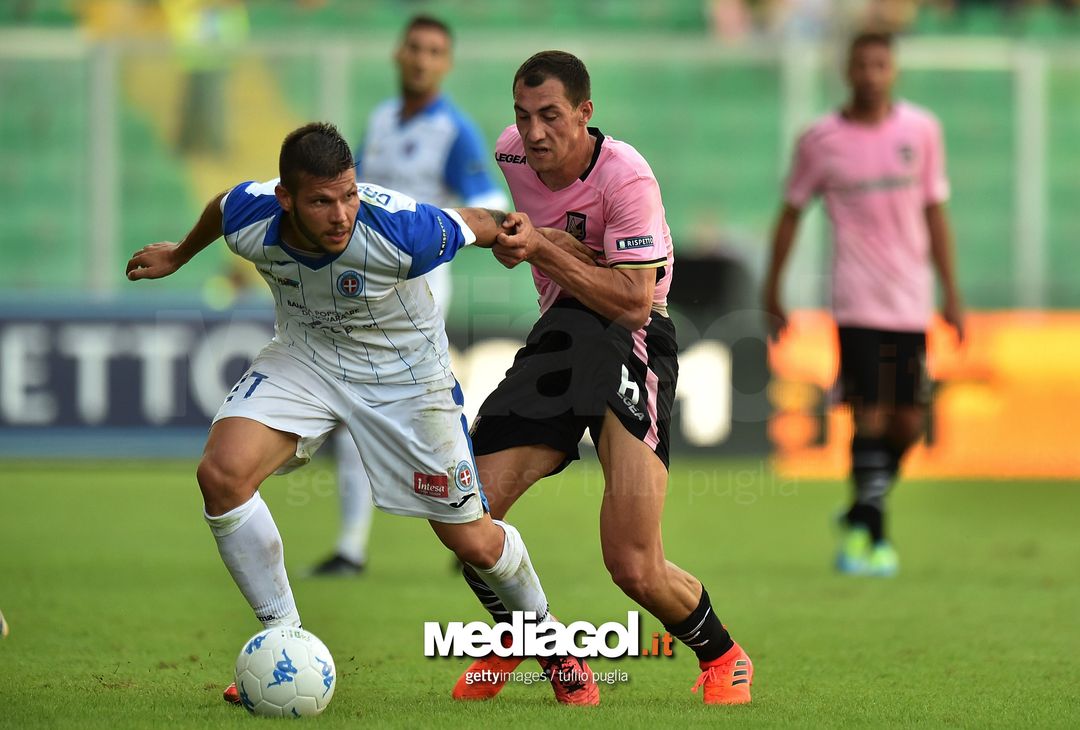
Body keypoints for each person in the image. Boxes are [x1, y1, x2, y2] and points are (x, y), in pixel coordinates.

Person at [124, 122, 578, 705]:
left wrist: (523, 240)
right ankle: (284, 640)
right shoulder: (252, 218)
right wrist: (180, 255)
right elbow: (223, 206)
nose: (341, 214)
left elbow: (479, 223)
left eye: (349, 194)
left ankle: (556, 650)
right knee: (222, 475)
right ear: (286, 198)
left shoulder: (401, 230)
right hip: (306, 359)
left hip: (406, 379)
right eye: (321, 200)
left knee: (472, 542)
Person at [451, 51, 754, 706]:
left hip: (632, 340)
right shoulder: (510, 156)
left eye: (551, 116)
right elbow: (511, 231)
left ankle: (723, 654)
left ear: (585, 113)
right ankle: (531, 644)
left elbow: (633, 301)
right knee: (465, 513)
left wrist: (542, 247)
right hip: (560, 335)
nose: (533, 133)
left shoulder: (627, 178)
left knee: (633, 565)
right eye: (523, 116)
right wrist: (494, 235)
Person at [310, 14, 508, 577]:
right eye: (414, 48)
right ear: (399, 54)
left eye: (434, 51)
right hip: (362, 284)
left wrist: (428, 236)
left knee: (427, 408)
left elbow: (488, 203)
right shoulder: (379, 120)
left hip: (417, 289)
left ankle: (480, 528)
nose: (421, 59)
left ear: (445, 64)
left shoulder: (454, 131)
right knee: (355, 407)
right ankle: (351, 548)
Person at [762, 32, 964, 577]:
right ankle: (868, 541)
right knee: (869, 413)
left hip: (911, 300)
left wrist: (952, 293)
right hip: (855, 299)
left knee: (907, 423)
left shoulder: (921, 132)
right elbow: (790, 213)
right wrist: (772, 289)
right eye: (863, 64)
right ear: (848, 72)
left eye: (881, 64)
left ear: (892, 71)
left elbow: (935, 213)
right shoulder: (821, 140)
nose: (872, 73)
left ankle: (861, 506)